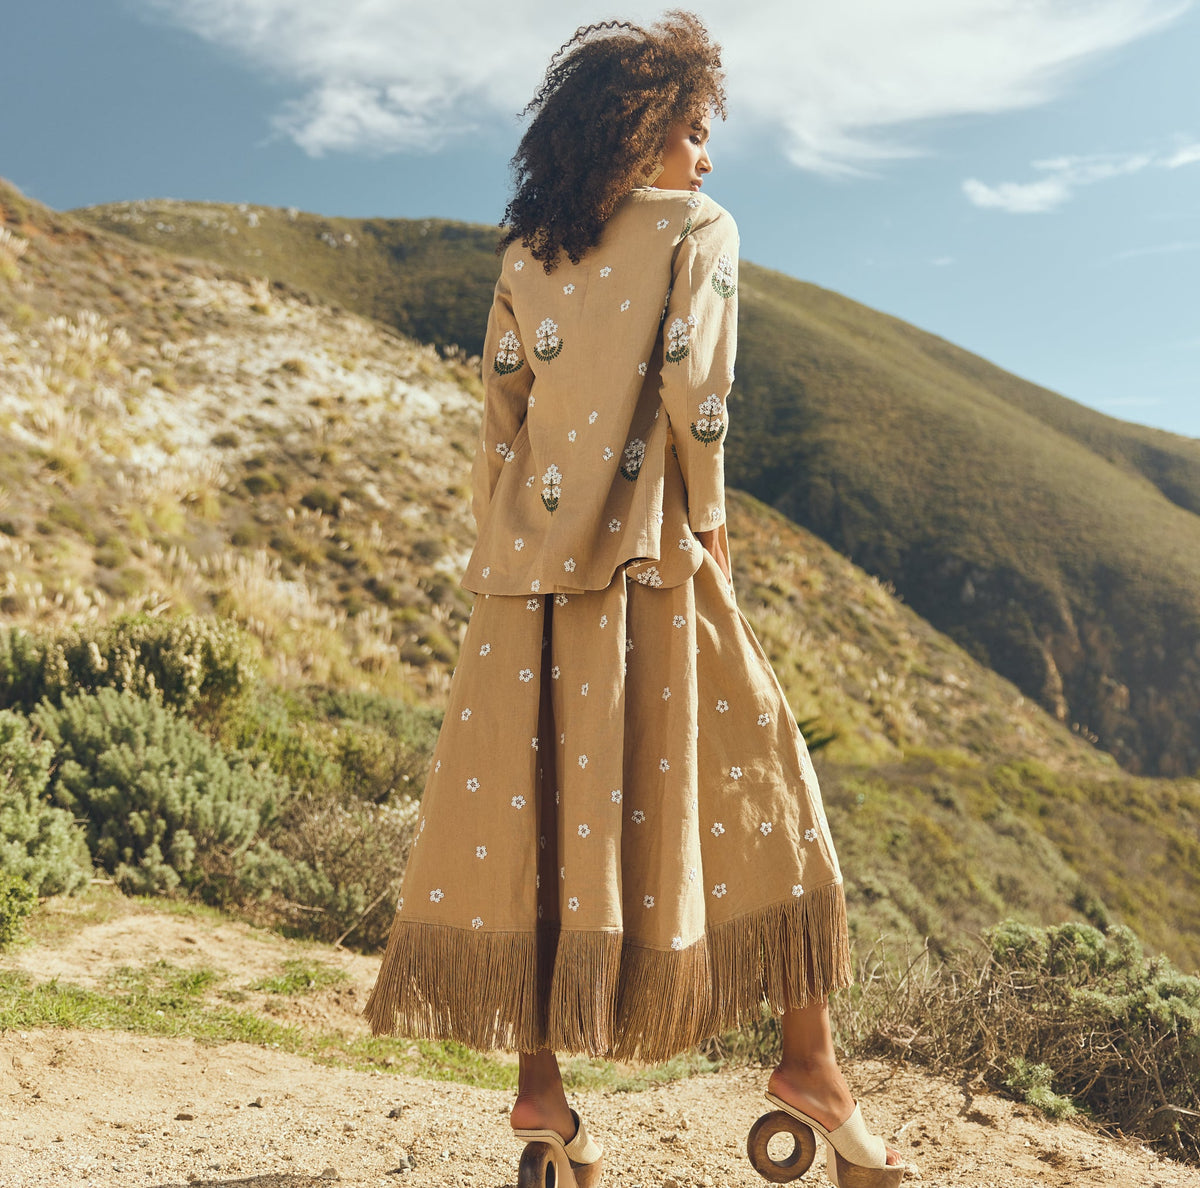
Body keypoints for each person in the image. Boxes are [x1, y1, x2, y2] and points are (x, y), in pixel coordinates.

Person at [365, 11, 905, 1187]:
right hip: (652, 559)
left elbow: (499, 422)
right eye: (696, 130)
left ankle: (541, 1099)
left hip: (524, 579)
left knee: (534, 812)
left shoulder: (526, 255)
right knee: (765, 771)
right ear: (648, 126)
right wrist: (710, 528)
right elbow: (695, 394)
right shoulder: (698, 230)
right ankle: (809, 1063)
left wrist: (508, 550)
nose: (706, 158)